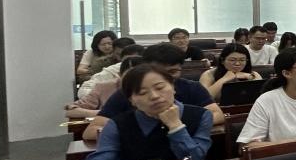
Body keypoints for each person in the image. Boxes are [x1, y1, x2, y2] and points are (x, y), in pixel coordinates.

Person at [87, 64, 214, 160]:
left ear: (173, 87)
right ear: (132, 100)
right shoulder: (117, 124)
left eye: (160, 88)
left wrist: (175, 125)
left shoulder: (201, 115)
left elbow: (195, 159)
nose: (154, 96)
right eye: (142, 93)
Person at [85, 43, 221, 142]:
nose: (167, 77)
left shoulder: (192, 88)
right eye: (159, 72)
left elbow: (217, 115)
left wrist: (175, 125)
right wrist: (146, 130)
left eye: (173, 71)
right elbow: (91, 131)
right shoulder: (130, 92)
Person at [66, 53, 143, 119]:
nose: (134, 80)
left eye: (140, 77)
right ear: (119, 75)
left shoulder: (149, 90)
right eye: (129, 76)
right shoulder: (103, 87)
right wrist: (105, 112)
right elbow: (71, 111)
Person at [75, 42, 144, 100]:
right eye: (125, 62)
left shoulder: (148, 74)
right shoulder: (114, 70)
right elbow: (85, 89)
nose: (130, 64)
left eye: (135, 61)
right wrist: (103, 99)